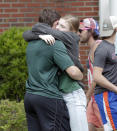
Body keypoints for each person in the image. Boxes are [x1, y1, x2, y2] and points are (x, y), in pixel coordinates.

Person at [23, 14, 88, 131]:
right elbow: (27, 34)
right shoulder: (57, 40)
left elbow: (34, 30)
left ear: (72, 31)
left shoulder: (69, 37)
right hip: (61, 93)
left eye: (62, 26)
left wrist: (80, 74)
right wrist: (41, 36)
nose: (57, 28)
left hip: (73, 93)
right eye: (58, 24)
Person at [78, 18, 104, 131]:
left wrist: (87, 96)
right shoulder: (92, 48)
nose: (79, 33)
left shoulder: (98, 46)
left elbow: (98, 77)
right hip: (93, 98)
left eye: (81, 30)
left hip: (101, 96)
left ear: (91, 31)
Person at [93, 16, 117, 131]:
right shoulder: (102, 48)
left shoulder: (113, 47)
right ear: (116, 29)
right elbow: (96, 76)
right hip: (106, 95)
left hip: (112, 94)